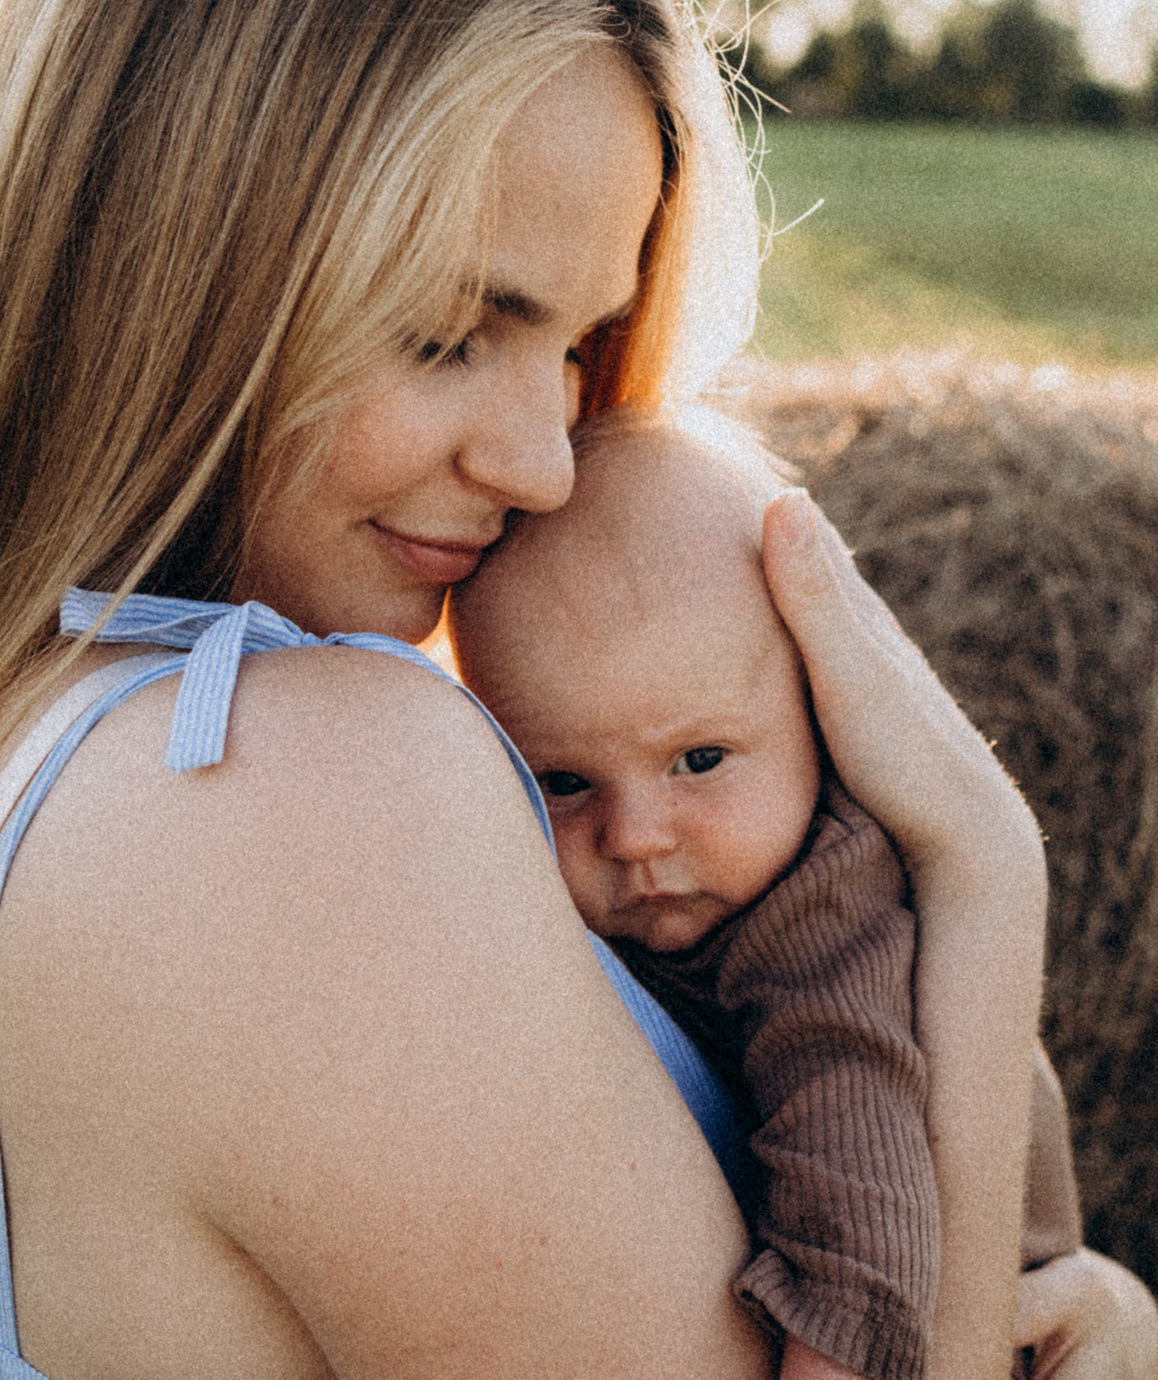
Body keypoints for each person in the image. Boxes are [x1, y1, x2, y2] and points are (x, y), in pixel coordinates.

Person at [0, 0, 1158, 1380]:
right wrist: (983, 863)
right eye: (454, 333)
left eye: (582, 342)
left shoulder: (46, 728)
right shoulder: (295, 796)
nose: (540, 459)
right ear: (174, 257)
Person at [453, 409, 1087, 1380]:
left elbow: (863, 1217)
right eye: (563, 782)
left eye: (698, 761)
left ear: (818, 719)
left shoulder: (823, 925)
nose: (635, 836)